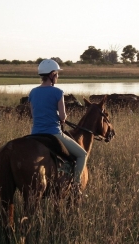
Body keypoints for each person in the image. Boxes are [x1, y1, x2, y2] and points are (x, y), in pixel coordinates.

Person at [28, 59, 87, 198]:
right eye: (57, 74)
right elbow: (62, 117)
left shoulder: (33, 92)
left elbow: (33, 114)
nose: (57, 77)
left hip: (35, 134)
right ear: (52, 74)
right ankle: (76, 188)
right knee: (82, 155)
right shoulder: (58, 92)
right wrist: (62, 117)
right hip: (54, 134)